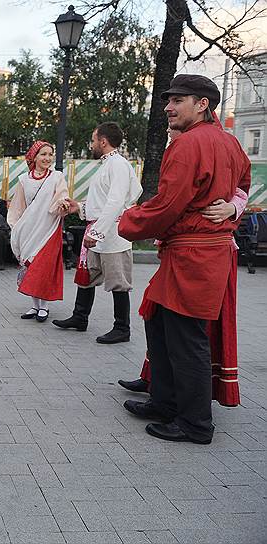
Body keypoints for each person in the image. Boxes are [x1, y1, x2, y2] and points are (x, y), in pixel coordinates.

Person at [118, 74, 251, 445]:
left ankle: (195, 424)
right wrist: (235, 207)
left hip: (194, 254)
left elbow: (167, 203)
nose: (168, 107)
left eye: (178, 100)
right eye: (168, 100)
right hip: (200, 252)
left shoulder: (188, 144)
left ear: (202, 104)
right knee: (159, 321)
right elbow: (244, 183)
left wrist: (125, 223)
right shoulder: (229, 142)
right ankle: (164, 400)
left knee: (187, 337)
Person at [53, 122, 143, 344]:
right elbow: (101, 202)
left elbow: (115, 202)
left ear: (103, 141)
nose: (92, 144)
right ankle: (79, 317)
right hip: (99, 230)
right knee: (88, 277)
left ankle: (122, 328)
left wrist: (99, 232)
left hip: (112, 234)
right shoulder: (107, 165)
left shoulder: (119, 165)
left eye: (93, 140)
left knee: (118, 281)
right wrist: (79, 208)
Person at [7, 141, 69, 322]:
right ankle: (35, 306)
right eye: (43, 154)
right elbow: (18, 207)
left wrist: (63, 203)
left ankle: (45, 307)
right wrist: (15, 227)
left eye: (50, 154)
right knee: (30, 266)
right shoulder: (23, 180)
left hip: (48, 229)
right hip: (29, 230)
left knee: (43, 267)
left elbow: (62, 196)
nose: (47, 158)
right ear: (34, 157)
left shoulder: (57, 177)